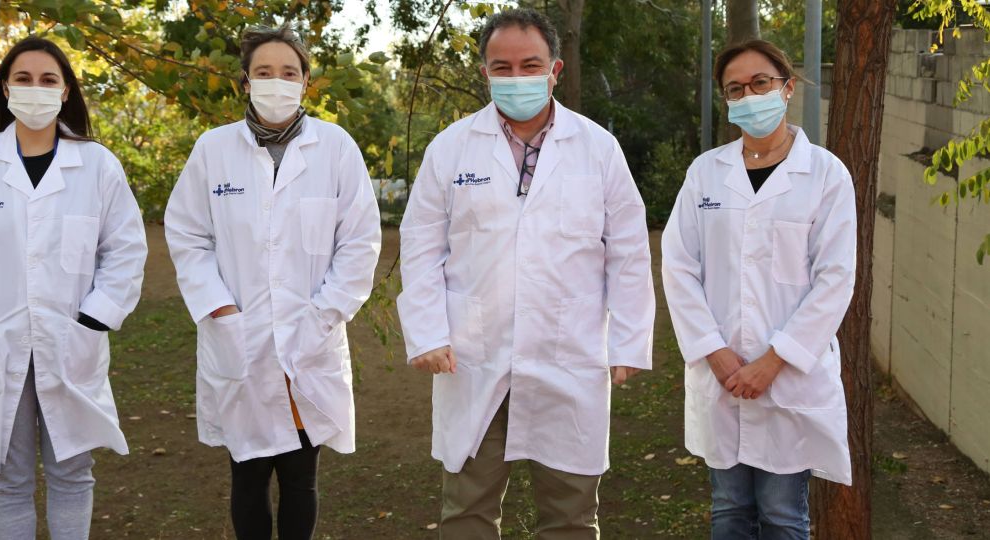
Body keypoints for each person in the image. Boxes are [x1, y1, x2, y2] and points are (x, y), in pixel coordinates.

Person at [396, 8, 655, 539]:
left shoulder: (597, 149)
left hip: (569, 353)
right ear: (486, 72)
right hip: (472, 354)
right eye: (502, 67)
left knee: (570, 517)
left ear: (555, 69)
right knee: (466, 511)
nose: (516, 78)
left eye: (529, 64)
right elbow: (421, 245)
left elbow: (627, 249)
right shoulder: (450, 148)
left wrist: (629, 341)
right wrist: (426, 333)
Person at [0, 36, 147, 539]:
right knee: (5, 477)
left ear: (65, 93)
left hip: (71, 340)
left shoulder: (97, 165)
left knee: (71, 473)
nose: (35, 90)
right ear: (5, 89)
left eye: (48, 80)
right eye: (23, 79)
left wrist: (95, 317)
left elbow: (125, 250)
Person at [164, 24, 381, 540]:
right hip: (240, 335)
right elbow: (188, 235)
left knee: (301, 477)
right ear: (245, 81)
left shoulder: (335, 148)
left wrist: (325, 312)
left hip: (310, 337)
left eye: (289, 72)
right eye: (264, 72)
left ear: (307, 81)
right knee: (248, 473)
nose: (276, 82)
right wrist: (217, 307)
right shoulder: (214, 150)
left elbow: (359, 241)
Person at [661, 39, 856, 539]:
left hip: (788, 378)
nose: (749, 95)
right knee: (727, 509)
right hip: (720, 374)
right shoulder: (706, 173)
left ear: (787, 88)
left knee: (783, 514)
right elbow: (679, 266)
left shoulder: (826, 175)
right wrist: (715, 353)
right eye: (735, 88)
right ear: (726, 101)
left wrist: (774, 361)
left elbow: (834, 279)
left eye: (761, 83)